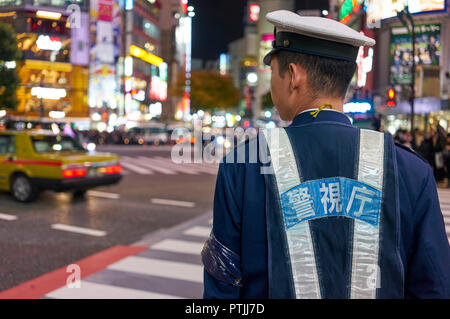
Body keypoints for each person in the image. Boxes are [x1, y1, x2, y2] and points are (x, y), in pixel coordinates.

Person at [201, 10, 450, 299]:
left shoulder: (242, 165)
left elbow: (222, 284)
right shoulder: (411, 170)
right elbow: (436, 286)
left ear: (293, 75)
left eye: (273, 72)